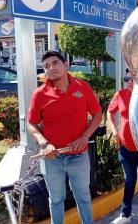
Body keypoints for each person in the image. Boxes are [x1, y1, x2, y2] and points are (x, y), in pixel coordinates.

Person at [27, 51, 102, 224]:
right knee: (56, 199)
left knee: (83, 196)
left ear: (66, 64)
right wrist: (44, 143)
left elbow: (97, 114)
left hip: (79, 155)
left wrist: (85, 137)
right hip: (52, 157)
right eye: (46, 66)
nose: (51, 68)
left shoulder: (82, 87)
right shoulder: (40, 93)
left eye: (55, 63)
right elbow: (31, 123)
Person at [107, 69, 138, 224]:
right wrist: (114, 132)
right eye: (127, 78)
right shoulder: (120, 95)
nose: (129, 82)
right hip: (125, 147)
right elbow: (110, 112)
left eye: (133, 78)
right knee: (129, 181)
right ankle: (125, 215)